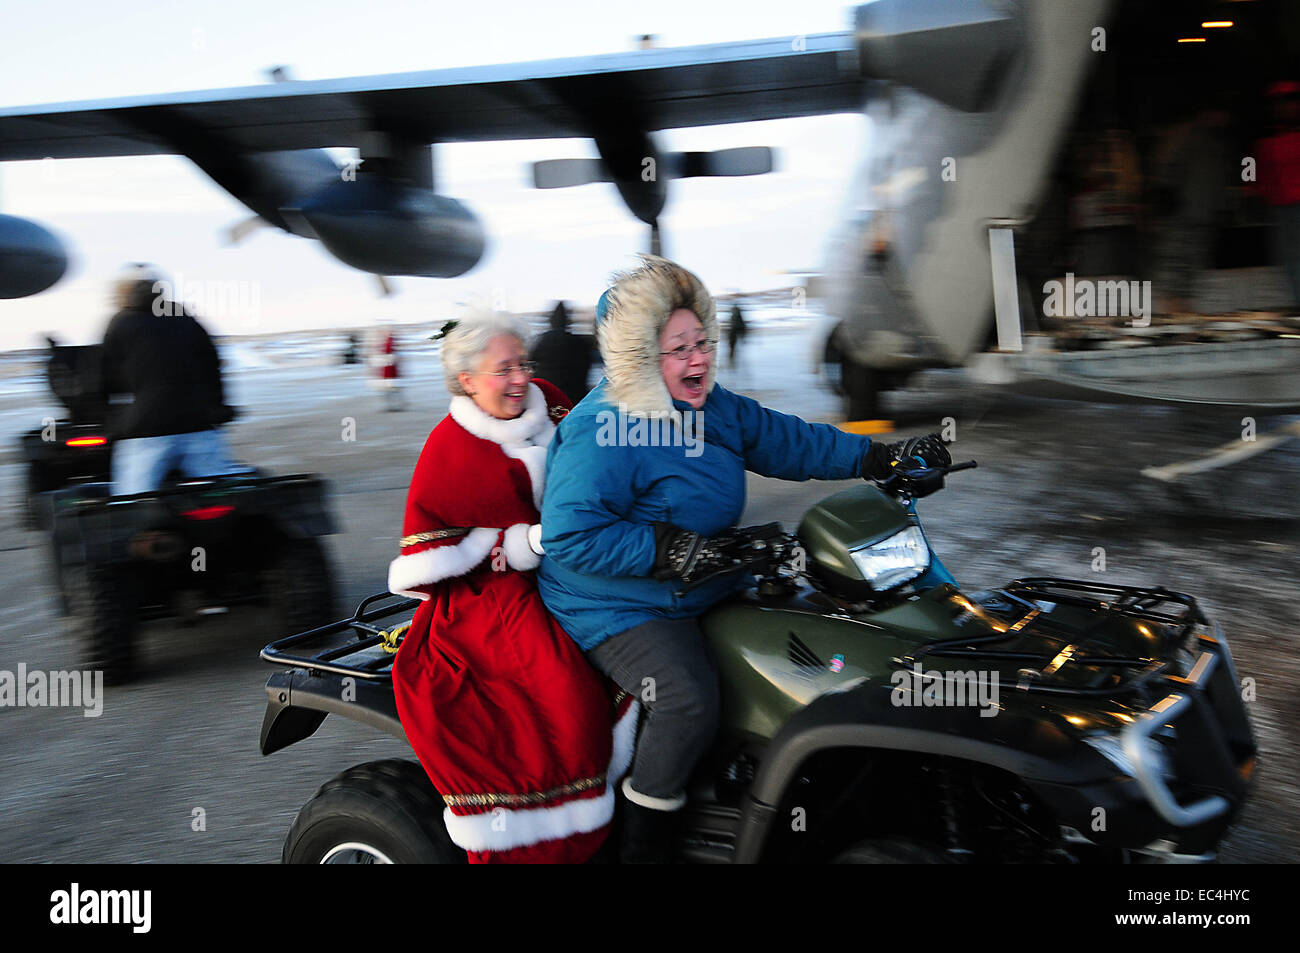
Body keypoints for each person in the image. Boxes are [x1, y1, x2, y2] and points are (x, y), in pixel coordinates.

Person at [537, 256, 949, 863]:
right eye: (678, 349)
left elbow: (786, 440)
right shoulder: (605, 429)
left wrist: (879, 458)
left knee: (811, 642)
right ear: (639, 358)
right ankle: (642, 843)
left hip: (701, 575)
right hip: (615, 602)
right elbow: (570, 534)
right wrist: (676, 550)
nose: (699, 359)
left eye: (702, 342)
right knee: (687, 698)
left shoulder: (714, 407)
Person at [387, 310, 636, 864]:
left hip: (579, 557)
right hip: (492, 592)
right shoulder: (449, 452)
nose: (520, 378)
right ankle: (556, 826)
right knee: (556, 687)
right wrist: (535, 541)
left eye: (522, 363)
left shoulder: (548, 401)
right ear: (467, 380)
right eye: (503, 369)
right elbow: (448, 559)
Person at [100, 264, 244, 496]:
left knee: (133, 503)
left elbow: (106, 379)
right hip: (199, 425)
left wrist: (110, 421)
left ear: (122, 293)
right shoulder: (186, 319)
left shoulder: (120, 324)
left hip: (146, 430)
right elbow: (213, 366)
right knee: (218, 497)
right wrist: (218, 409)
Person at [1254, 80, 1300, 311]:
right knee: (1288, 258)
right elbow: (1250, 166)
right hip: (1279, 207)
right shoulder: (1266, 139)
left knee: (1293, 257)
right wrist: (1253, 187)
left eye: (1288, 102)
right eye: (1278, 103)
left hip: (1292, 204)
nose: (1283, 107)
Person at [528, 300, 594, 403]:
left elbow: (530, 364)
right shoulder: (580, 342)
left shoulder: (541, 342)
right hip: (575, 398)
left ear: (551, 321)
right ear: (567, 320)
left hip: (548, 397)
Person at [726, 299, 748, 370]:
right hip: (735, 332)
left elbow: (733, 326)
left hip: (734, 332)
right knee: (733, 347)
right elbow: (742, 326)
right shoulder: (737, 317)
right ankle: (731, 360)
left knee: (732, 347)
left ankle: (731, 360)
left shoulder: (733, 316)